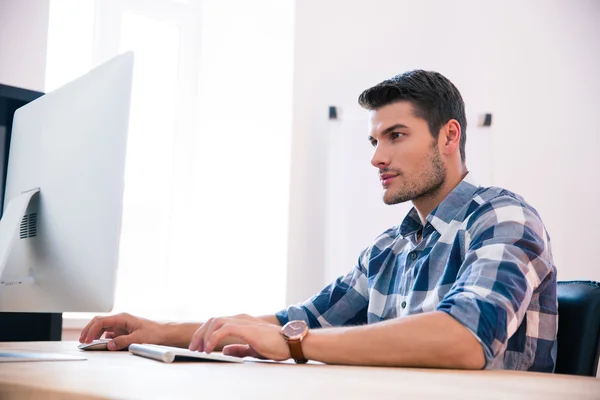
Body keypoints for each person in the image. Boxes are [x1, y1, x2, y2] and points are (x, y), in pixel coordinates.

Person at [80, 70, 557, 372]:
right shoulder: (390, 247)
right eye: (374, 141)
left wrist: (293, 346)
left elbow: (465, 338)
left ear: (448, 136)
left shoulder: (503, 217)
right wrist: (159, 331)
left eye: (395, 136)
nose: (377, 158)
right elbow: (298, 322)